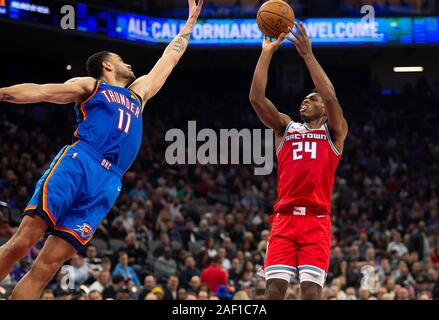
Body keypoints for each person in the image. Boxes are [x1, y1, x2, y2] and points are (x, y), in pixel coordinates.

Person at [0, 0, 204, 300]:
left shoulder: (139, 94)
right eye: (121, 59)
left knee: (47, 266)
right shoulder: (90, 85)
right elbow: (41, 91)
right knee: (22, 242)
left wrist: (188, 26)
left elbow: (169, 59)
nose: (129, 64)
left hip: (109, 183)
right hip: (81, 161)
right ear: (107, 65)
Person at [250, 21, 348, 300]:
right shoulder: (286, 127)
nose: (304, 101)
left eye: (311, 99)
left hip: (316, 221)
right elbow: (256, 99)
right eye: (304, 99)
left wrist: (307, 55)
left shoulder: (334, 131)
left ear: (325, 112)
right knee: (273, 291)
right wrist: (266, 52)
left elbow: (329, 95)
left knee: (311, 293)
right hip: (284, 219)